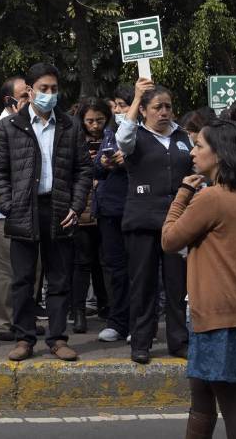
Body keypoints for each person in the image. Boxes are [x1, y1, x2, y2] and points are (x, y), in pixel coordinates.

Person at [163, 120, 236, 439]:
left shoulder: (211, 198)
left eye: (199, 146)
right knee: (202, 393)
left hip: (222, 316)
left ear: (220, 154)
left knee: (231, 401)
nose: (193, 152)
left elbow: (169, 239)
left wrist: (183, 193)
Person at [0, 62, 92, 362]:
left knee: (59, 279)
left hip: (59, 208)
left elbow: (83, 169)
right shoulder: (10, 127)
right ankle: (24, 338)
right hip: (23, 210)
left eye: (54, 89)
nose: (49, 94)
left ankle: (58, 338)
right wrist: (9, 205)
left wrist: (75, 204)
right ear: (30, 91)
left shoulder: (70, 126)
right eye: (43, 89)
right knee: (22, 279)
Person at [116, 78, 193, 364]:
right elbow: (123, 139)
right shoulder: (134, 135)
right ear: (145, 111)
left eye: (168, 107)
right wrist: (135, 99)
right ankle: (141, 342)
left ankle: (178, 341)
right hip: (142, 222)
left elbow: (198, 168)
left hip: (176, 224)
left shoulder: (183, 137)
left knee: (177, 285)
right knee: (143, 285)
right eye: (157, 107)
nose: (163, 112)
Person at [0, 75, 32, 341]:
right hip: (6, 208)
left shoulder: (35, 122)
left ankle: (22, 319)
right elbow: (0, 167)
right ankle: (0, 322)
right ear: (9, 100)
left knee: (28, 269)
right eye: (24, 96)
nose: (30, 99)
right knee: (4, 269)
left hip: (31, 207)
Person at [70, 98, 111, 333]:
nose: (94, 125)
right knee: (82, 262)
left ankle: (108, 307)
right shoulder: (74, 140)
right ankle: (78, 312)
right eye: (89, 121)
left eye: (99, 120)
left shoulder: (112, 139)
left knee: (105, 262)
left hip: (106, 209)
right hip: (82, 208)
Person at [95, 84, 132, 343]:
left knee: (139, 269)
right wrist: (104, 162)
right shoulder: (110, 132)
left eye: (123, 105)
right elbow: (96, 167)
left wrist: (127, 161)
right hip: (110, 211)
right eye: (116, 105)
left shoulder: (145, 132)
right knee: (115, 269)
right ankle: (118, 321)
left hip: (135, 209)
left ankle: (140, 323)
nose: (117, 110)